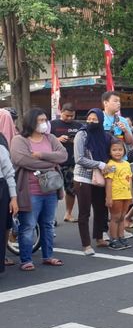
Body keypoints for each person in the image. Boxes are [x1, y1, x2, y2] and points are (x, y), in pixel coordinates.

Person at [10, 108, 68, 270]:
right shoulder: (19, 140)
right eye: (40, 120)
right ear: (31, 122)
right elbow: (23, 160)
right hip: (30, 192)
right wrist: (51, 162)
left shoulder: (50, 138)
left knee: (48, 224)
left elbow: (63, 156)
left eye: (45, 120)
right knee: (28, 226)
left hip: (50, 190)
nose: (44, 123)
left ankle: (48, 256)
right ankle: (26, 259)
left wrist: (41, 155)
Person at [73, 108, 113, 254]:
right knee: (84, 212)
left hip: (100, 176)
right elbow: (79, 159)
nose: (91, 121)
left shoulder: (104, 135)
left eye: (95, 119)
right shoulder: (81, 134)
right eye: (89, 119)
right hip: (83, 177)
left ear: (101, 121)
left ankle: (99, 236)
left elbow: (115, 149)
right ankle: (86, 244)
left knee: (101, 208)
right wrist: (99, 164)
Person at [49, 103, 83, 223]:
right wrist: (57, 140)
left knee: (71, 189)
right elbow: (44, 140)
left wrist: (75, 140)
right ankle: (51, 217)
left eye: (72, 116)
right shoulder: (52, 124)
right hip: (55, 162)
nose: (69, 118)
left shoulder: (79, 125)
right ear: (61, 112)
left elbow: (84, 140)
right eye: (67, 115)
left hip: (71, 161)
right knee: (53, 189)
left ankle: (68, 213)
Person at [104, 140, 133, 251]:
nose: (117, 152)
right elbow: (109, 182)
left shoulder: (126, 164)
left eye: (120, 150)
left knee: (122, 217)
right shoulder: (110, 165)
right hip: (116, 195)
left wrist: (131, 195)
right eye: (114, 150)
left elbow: (129, 180)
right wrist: (109, 197)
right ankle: (114, 239)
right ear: (110, 152)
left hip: (126, 194)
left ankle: (121, 237)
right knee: (115, 217)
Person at [0, 137, 18, 274]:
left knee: (1, 228)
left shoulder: (1, 149)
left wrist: (13, 198)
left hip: (2, 188)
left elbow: (9, 175)